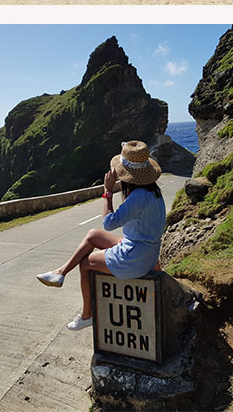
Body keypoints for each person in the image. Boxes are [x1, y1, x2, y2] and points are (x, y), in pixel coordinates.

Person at [36, 140, 166, 330]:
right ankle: (60, 273)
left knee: (86, 263)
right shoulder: (154, 192)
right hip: (146, 251)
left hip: (135, 258)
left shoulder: (138, 196)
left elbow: (109, 222)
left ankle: (87, 315)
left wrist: (108, 192)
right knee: (92, 235)